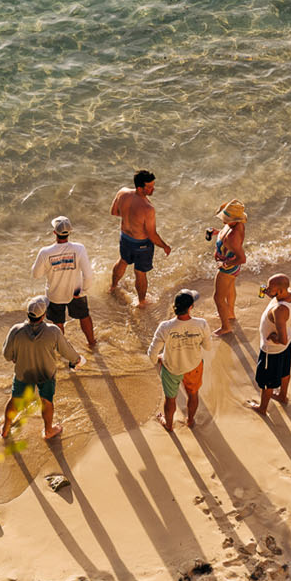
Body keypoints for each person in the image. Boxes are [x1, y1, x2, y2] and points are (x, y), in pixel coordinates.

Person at [1, 295, 83, 440]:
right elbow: (66, 351)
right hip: (46, 374)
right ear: (44, 315)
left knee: (15, 399)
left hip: (23, 373)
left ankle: (6, 430)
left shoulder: (16, 330)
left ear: (27, 313)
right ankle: (48, 431)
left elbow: (7, 355)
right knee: (46, 401)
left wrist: (15, 356)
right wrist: (77, 360)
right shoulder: (53, 331)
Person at [147, 288, 211, 432]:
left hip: (171, 369)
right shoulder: (202, 324)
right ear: (190, 307)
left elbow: (152, 354)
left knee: (170, 399)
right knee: (193, 394)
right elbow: (208, 347)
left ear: (174, 307)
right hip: (193, 367)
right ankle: (190, 420)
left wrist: (158, 360)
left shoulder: (165, 327)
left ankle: (168, 425)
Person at [32, 216, 97, 350]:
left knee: (58, 323)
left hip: (55, 294)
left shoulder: (45, 252)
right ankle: (92, 343)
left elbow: (36, 274)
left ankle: (61, 349)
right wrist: (83, 290)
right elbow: (88, 275)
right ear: (70, 232)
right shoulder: (79, 249)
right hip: (76, 292)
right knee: (84, 316)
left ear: (54, 232)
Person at [109, 170, 171, 307]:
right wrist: (165, 246)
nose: (153, 189)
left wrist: (129, 217)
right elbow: (152, 235)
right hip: (141, 244)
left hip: (125, 238)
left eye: (153, 185)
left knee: (123, 261)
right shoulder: (148, 208)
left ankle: (113, 286)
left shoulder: (122, 192)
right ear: (139, 188)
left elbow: (114, 212)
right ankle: (141, 302)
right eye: (149, 187)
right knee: (140, 272)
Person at [249, 273, 291, 417]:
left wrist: (273, 336)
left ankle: (262, 408)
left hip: (272, 351)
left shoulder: (279, 310)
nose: (268, 289)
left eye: (271, 288)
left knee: (266, 382)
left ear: (281, 291)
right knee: (285, 371)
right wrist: (270, 294)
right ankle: (282, 396)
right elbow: (282, 301)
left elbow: (281, 339)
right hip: (288, 344)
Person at [208, 199, 247, 337]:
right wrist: (217, 233)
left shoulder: (233, 236)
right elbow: (228, 238)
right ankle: (230, 314)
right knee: (230, 289)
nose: (224, 220)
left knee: (218, 298)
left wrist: (224, 264)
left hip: (227, 268)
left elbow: (242, 259)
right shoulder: (236, 225)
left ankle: (226, 327)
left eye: (226, 217)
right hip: (232, 268)